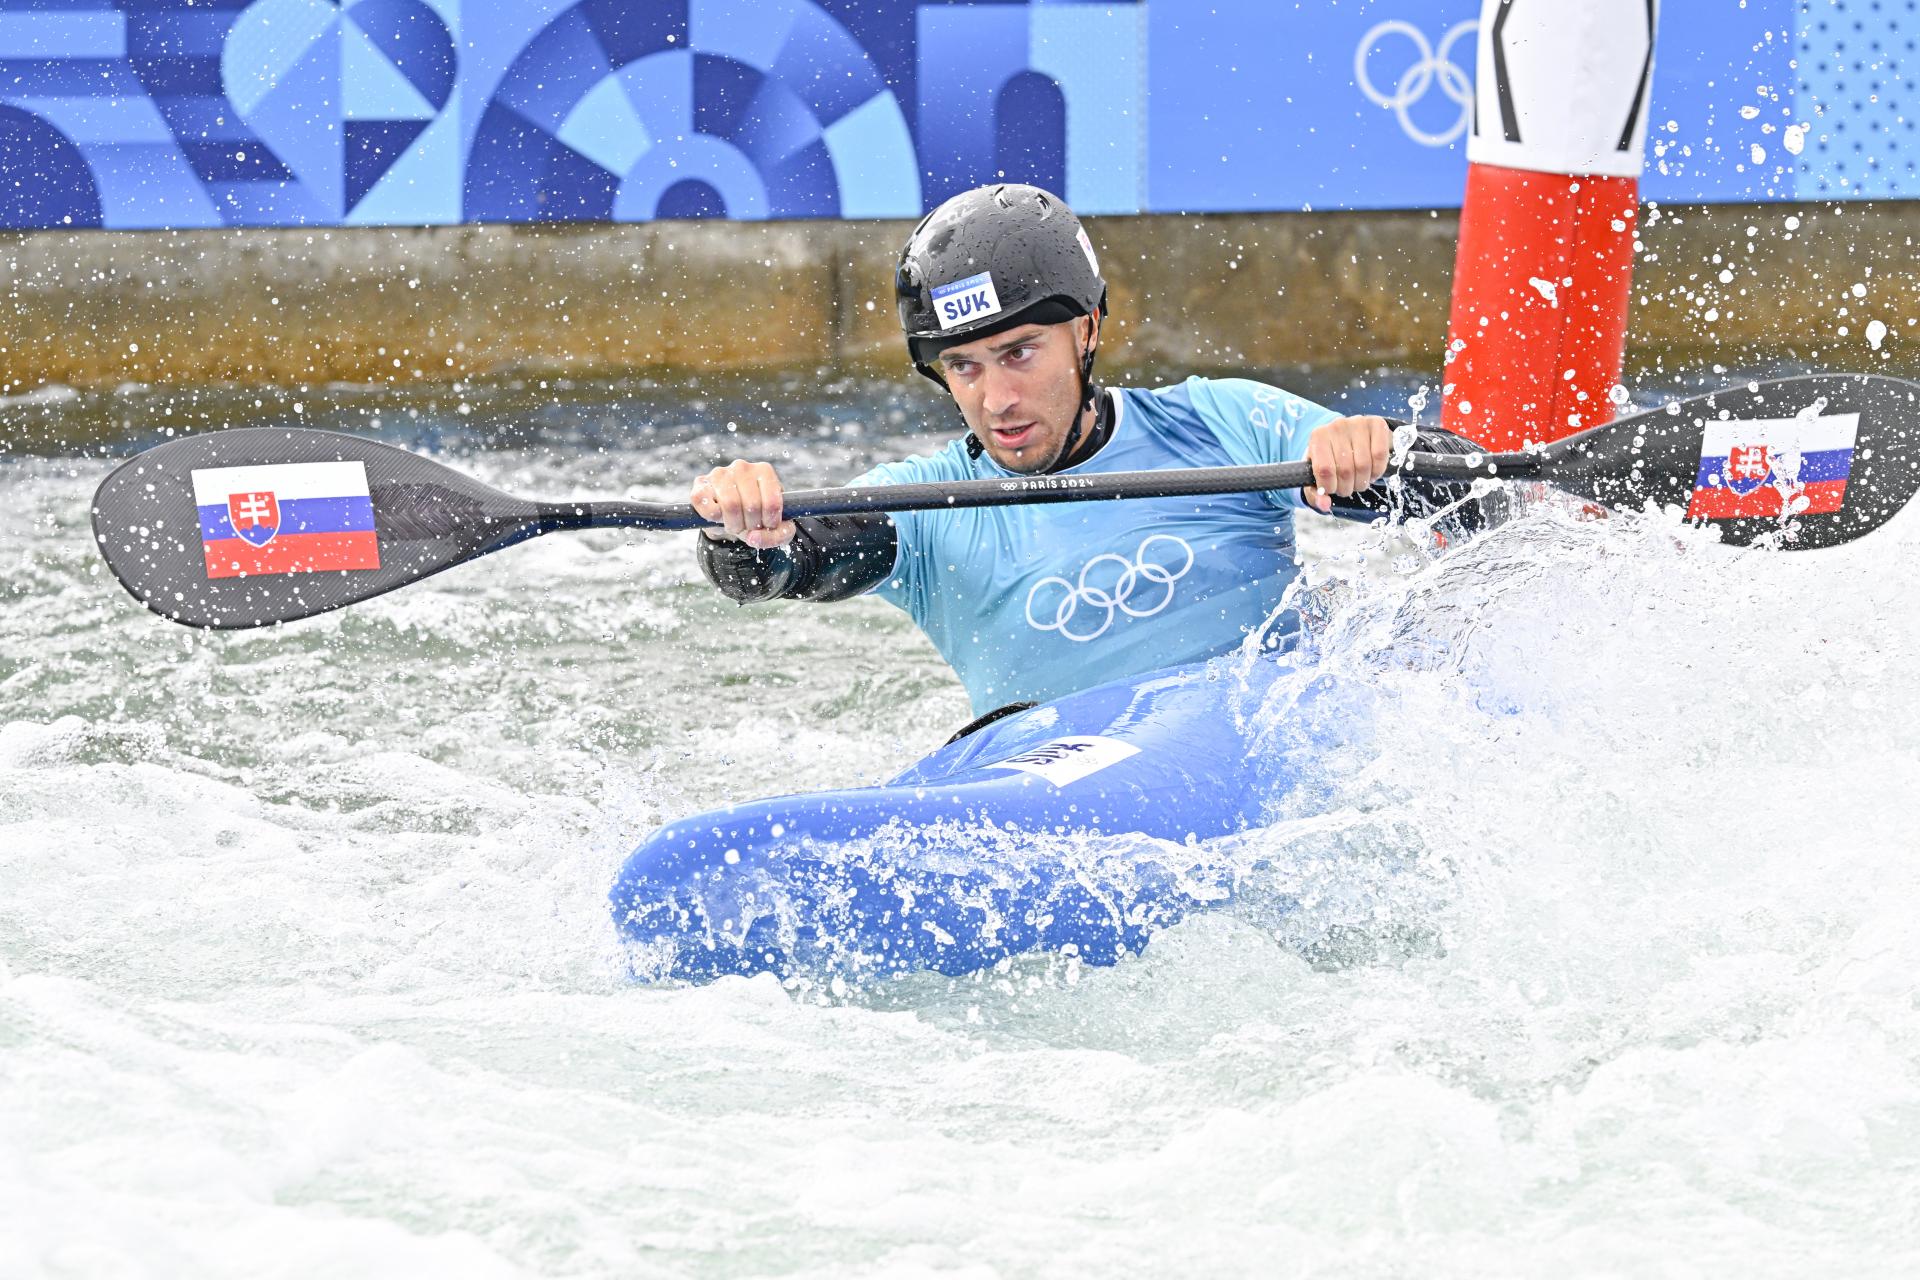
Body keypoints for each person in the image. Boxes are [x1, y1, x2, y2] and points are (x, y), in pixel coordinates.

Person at [690, 183, 1495, 723]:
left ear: (1087, 331)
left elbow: (1469, 496)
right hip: (1063, 786)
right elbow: (786, 564)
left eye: (1019, 353)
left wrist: (1374, 451)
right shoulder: (924, 503)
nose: (995, 398)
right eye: (962, 367)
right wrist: (747, 532)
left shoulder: (1220, 423)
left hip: (1264, 736)